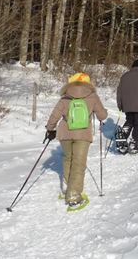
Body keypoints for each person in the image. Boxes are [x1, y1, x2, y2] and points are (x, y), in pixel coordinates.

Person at [45, 72, 107, 210]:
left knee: (68, 159)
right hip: (83, 134)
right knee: (79, 163)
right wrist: (103, 112)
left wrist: (50, 129)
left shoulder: (65, 97)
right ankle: (73, 195)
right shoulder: (93, 97)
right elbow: (102, 116)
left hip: (65, 133)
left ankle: (69, 187)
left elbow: (54, 115)